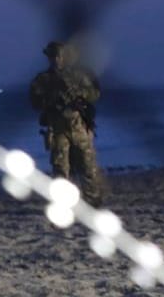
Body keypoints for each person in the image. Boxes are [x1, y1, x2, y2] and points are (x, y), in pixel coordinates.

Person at [27, 40, 108, 206]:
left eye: (58, 56)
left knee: (88, 167)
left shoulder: (79, 76)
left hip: (79, 127)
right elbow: (34, 102)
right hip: (57, 130)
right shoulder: (44, 79)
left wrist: (80, 94)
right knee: (60, 170)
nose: (56, 59)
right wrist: (51, 101)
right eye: (52, 56)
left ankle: (93, 202)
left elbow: (95, 93)